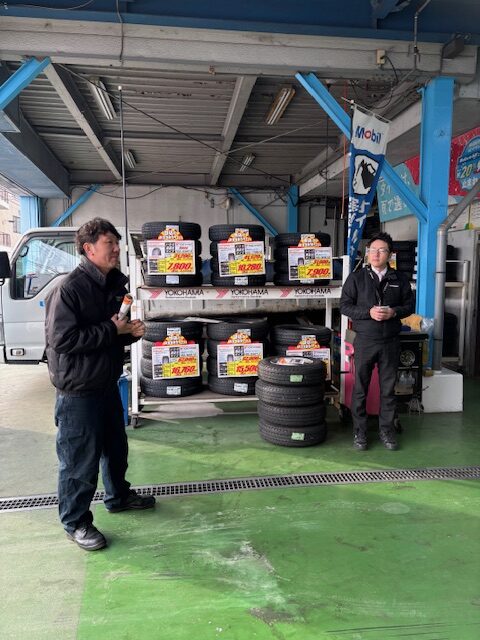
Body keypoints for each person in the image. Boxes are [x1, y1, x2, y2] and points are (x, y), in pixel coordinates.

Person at [45, 218, 155, 551]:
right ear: (88, 248)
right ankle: (75, 522)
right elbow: (62, 340)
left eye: (117, 243)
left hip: (106, 383)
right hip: (78, 391)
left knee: (116, 449)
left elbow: (112, 333)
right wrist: (113, 330)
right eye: (110, 243)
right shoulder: (69, 289)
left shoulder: (113, 285)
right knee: (79, 461)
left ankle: (118, 496)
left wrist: (130, 333)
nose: (117, 249)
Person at [340, 232, 414, 451]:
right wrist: (368, 312)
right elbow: (344, 306)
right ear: (367, 253)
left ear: (390, 255)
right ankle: (360, 432)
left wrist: (394, 312)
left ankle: (387, 431)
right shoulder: (356, 278)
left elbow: (409, 306)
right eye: (372, 250)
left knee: (388, 390)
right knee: (360, 388)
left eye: (382, 250)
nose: (376, 254)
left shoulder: (399, 279)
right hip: (365, 340)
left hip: (390, 341)